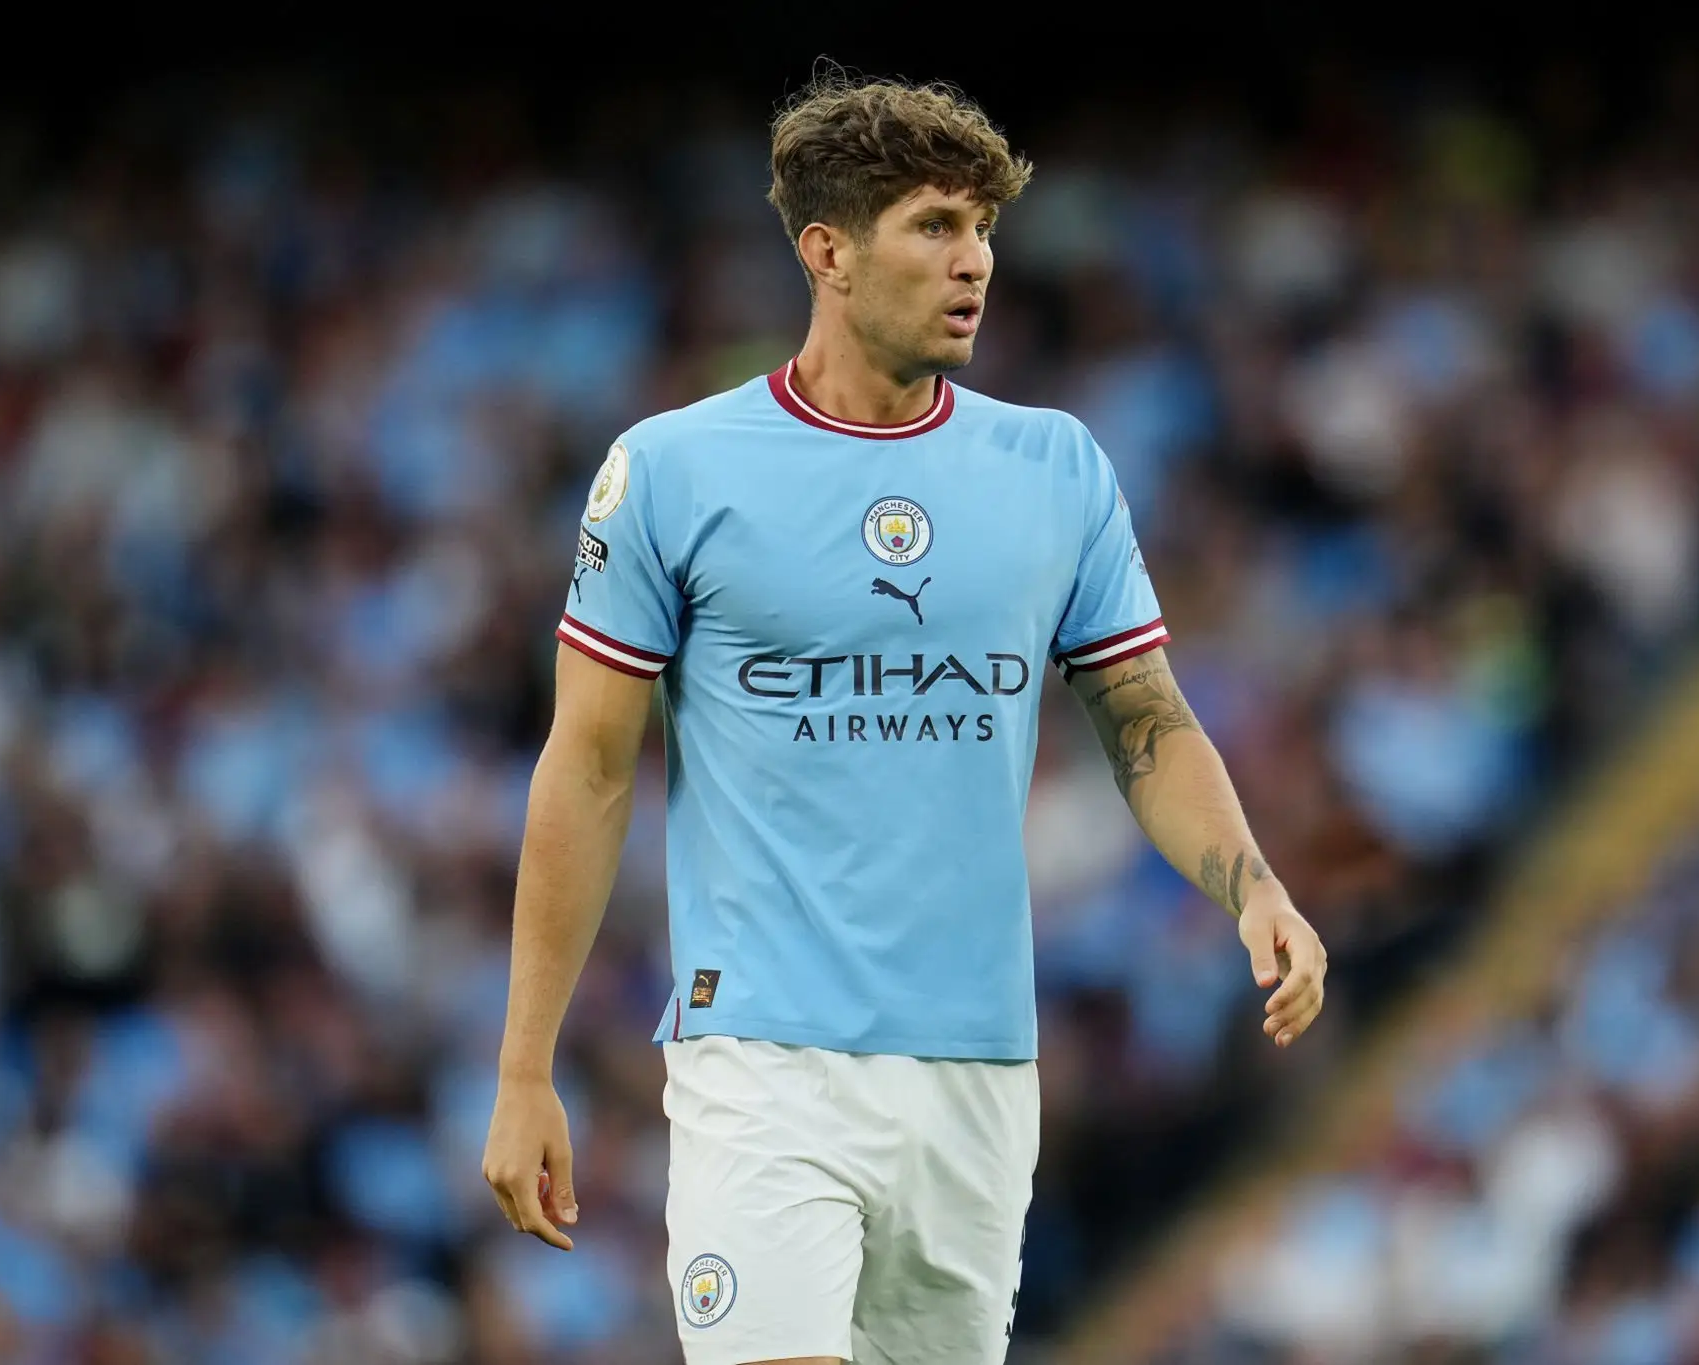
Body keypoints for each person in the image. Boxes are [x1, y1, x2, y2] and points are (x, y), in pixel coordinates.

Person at [481, 74, 1329, 1365]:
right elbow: (588, 768)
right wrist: (524, 1067)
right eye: (935, 226)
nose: (976, 262)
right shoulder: (673, 470)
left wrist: (1252, 885)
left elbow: (1145, 718)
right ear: (826, 251)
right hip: (763, 1055)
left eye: (984, 228)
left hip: (980, 1067)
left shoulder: (1055, 468)